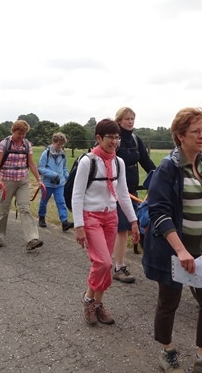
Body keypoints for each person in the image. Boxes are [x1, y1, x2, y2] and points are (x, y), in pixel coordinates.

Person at [142, 107, 202, 373]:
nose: (201, 136)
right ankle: (167, 351)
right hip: (174, 249)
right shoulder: (168, 168)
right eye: (195, 131)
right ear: (180, 136)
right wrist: (180, 250)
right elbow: (158, 211)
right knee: (169, 302)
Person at [72, 119, 140, 326]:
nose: (114, 141)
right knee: (104, 262)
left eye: (117, 137)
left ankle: (98, 303)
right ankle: (88, 299)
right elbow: (77, 195)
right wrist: (79, 225)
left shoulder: (118, 162)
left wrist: (133, 221)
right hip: (91, 216)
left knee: (106, 264)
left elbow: (123, 195)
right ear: (99, 138)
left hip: (111, 217)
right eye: (110, 137)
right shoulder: (88, 161)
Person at [112, 107, 156, 284]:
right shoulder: (116, 140)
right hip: (117, 191)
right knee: (122, 228)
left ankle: (150, 261)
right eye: (127, 119)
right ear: (119, 121)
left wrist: (160, 177)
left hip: (133, 190)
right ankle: (119, 267)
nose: (130, 122)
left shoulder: (136, 140)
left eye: (132, 119)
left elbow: (146, 162)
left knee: (142, 224)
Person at [0, 120, 45, 252]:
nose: (21, 136)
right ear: (13, 131)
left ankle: (32, 239)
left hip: (23, 180)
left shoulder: (27, 145)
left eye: (24, 133)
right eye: (19, 133)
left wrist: (39, 179)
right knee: (4, 209)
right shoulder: (4, 144)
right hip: (7, 181)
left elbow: (32, 164)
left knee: (25, 208)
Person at [37, 132, 73, 231]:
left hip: (59, 184)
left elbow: (64, 169)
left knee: (61, 202)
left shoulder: (63, 154)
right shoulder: (46, 153)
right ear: (53, 142)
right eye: (58, 144)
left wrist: (69, 179)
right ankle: (41, 217)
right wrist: (53, 175)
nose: (60, 146)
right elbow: (40, 168)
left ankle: (64, 222)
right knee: (44, 202)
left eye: (62, 144)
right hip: (47, 184)